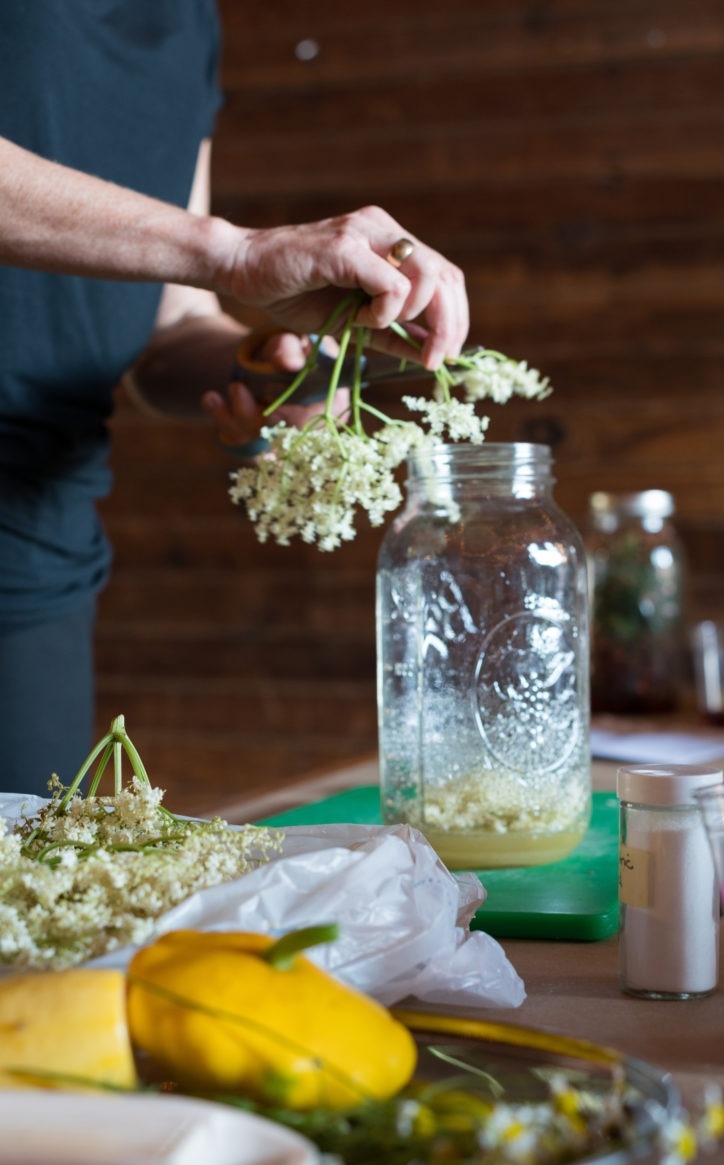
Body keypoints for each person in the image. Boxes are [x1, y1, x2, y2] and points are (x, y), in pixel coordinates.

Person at [0, 1, 468, 794]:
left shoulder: (187, 26)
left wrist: (267, 373)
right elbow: (208, 256)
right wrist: (235, 250)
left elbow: (167, 322)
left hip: (37, 554)